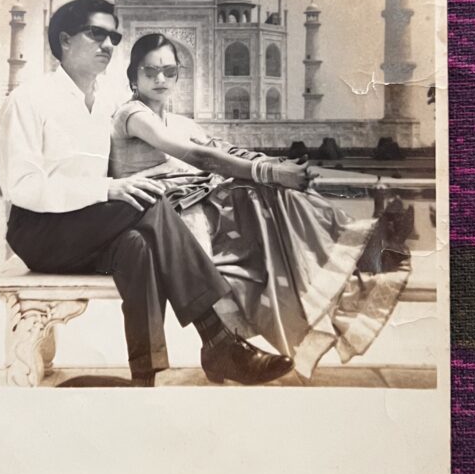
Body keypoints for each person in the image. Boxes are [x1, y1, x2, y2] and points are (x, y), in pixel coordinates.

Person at [0, 0, 294, 387]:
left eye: (113, 36)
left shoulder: (109, 104)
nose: (107, 43)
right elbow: (22, 187)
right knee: (149, 202)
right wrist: (109, 188)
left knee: (138, 246)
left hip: (93, 230)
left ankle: (144, 377)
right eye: (95, 33)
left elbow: (168, 146)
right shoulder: (28, 101)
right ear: (65, 40)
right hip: (41, 233)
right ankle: (219, 342)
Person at [110, 33, 411, 379]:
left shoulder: (180, 122)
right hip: (162, 216)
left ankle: (358, 244)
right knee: (257, 190)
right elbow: (199, 156)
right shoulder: (131, 115)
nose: (160, 79)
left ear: (180, 74)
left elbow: (226, 150)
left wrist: (277, 169)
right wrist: (268, 171)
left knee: (268, 193)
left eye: (169, 71)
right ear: (133, 76)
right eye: (150, 71)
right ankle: (225, 345)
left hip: (195, 204)